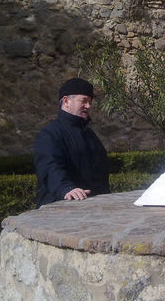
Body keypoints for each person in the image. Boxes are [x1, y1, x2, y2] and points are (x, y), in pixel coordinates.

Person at [34, 77, 110, 208]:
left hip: (91, 207)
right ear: (66, 101)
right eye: (84, 101)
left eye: (90, 102)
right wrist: (66, 188)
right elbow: (49, 166)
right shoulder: (50, 133)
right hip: (60, 207)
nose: (88, 106)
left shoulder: (89, 134)